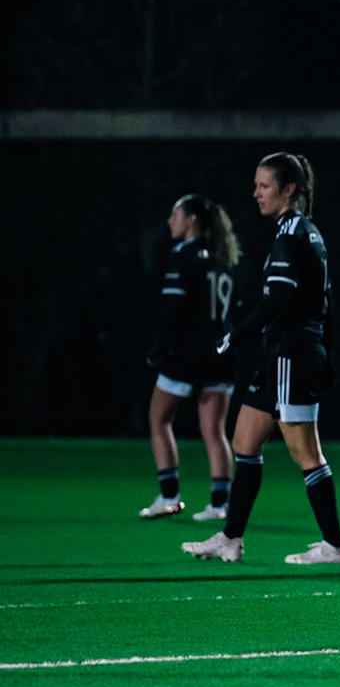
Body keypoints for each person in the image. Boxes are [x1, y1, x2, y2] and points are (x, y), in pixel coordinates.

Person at [181, 154, 340, 565]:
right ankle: (230, 539)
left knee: (306, 453)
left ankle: (334, 547)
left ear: (289, 189)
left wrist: (233, 336)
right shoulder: (304, 233)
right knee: (244, 440)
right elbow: (325, 301)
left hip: (292, 354)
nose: (255, 193)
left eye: (264, 186)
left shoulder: (293, 233)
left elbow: (278, 299)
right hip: (284, 355)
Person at [138, 195, 239, 522]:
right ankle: (220, 504)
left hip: (187, 354)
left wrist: (158, 347)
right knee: (215, 432)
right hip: (221, 354)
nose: (170, 221)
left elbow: (172, 309)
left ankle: (169, 497)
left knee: (158, 419)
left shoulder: (183, 256)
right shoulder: (224, 259)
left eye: (175, 214)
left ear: (192, 220)